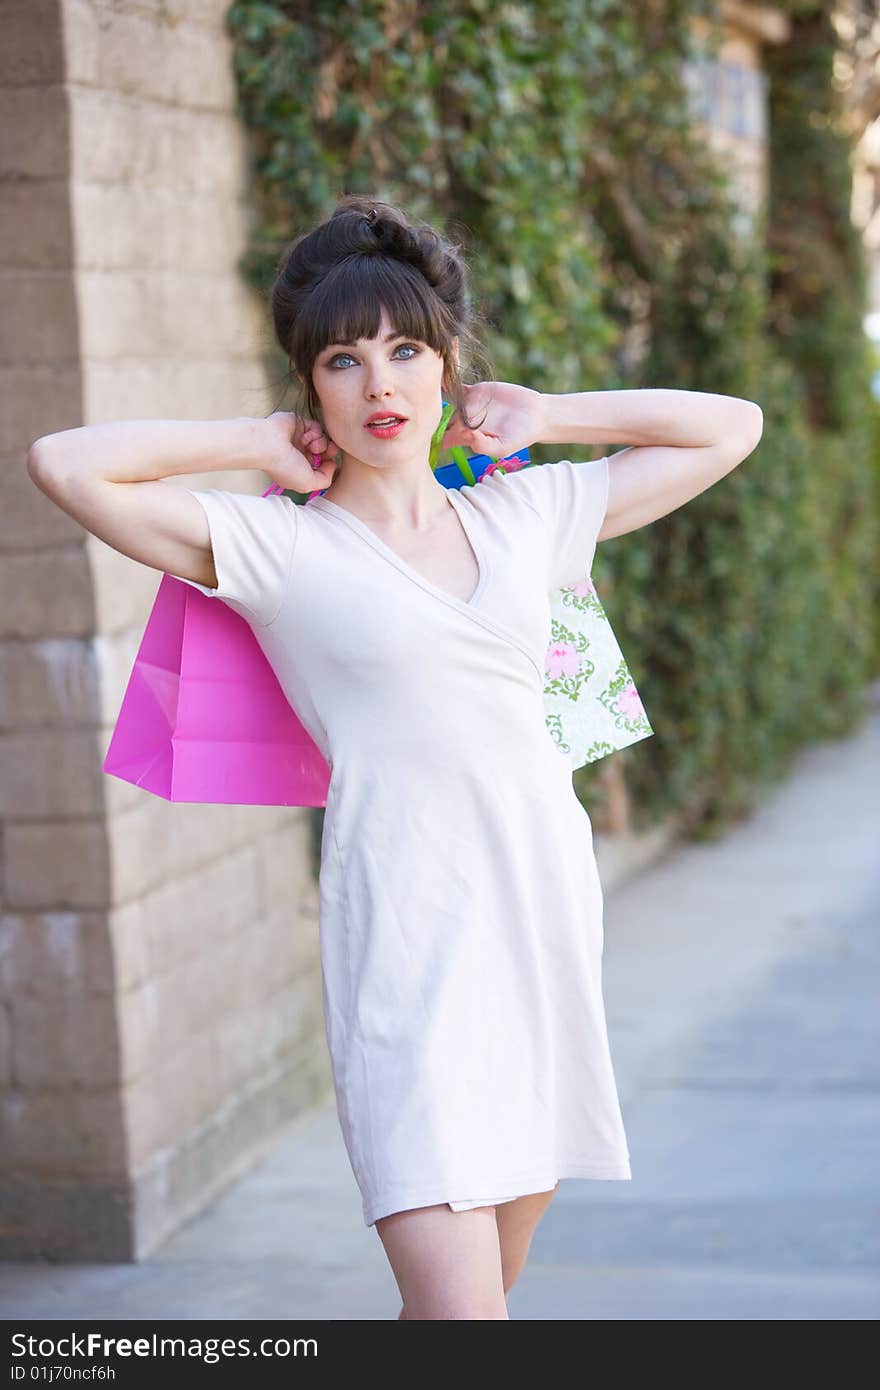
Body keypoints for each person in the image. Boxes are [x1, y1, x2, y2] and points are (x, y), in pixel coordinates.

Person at [26, 194, 763, 1319]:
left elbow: (731, 425)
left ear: (447, 364)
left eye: (406, 349)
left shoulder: (533, 516)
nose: (380, 385)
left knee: (475, 1296)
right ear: (309, 387)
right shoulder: (275, 545)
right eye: (343, 359)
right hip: (404, 950)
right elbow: (64, 462)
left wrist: (546, 414)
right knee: (467, 1315)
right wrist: (246, 445)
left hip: (542, 927)